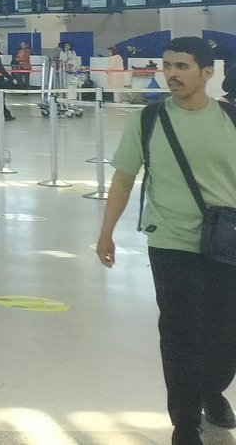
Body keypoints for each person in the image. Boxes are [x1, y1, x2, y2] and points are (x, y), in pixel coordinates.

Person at [97, 38, 236, 445]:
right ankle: (185, 421)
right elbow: (124, 179)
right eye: (167, 65)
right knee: (179, 332)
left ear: (207, 73)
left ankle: (212, 388)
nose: (172, 74)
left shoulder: (230, 118)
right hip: (170, 242)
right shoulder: (149, 119)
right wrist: (106, 232)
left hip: (227, 241)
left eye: (182, 66)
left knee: (225, 330)